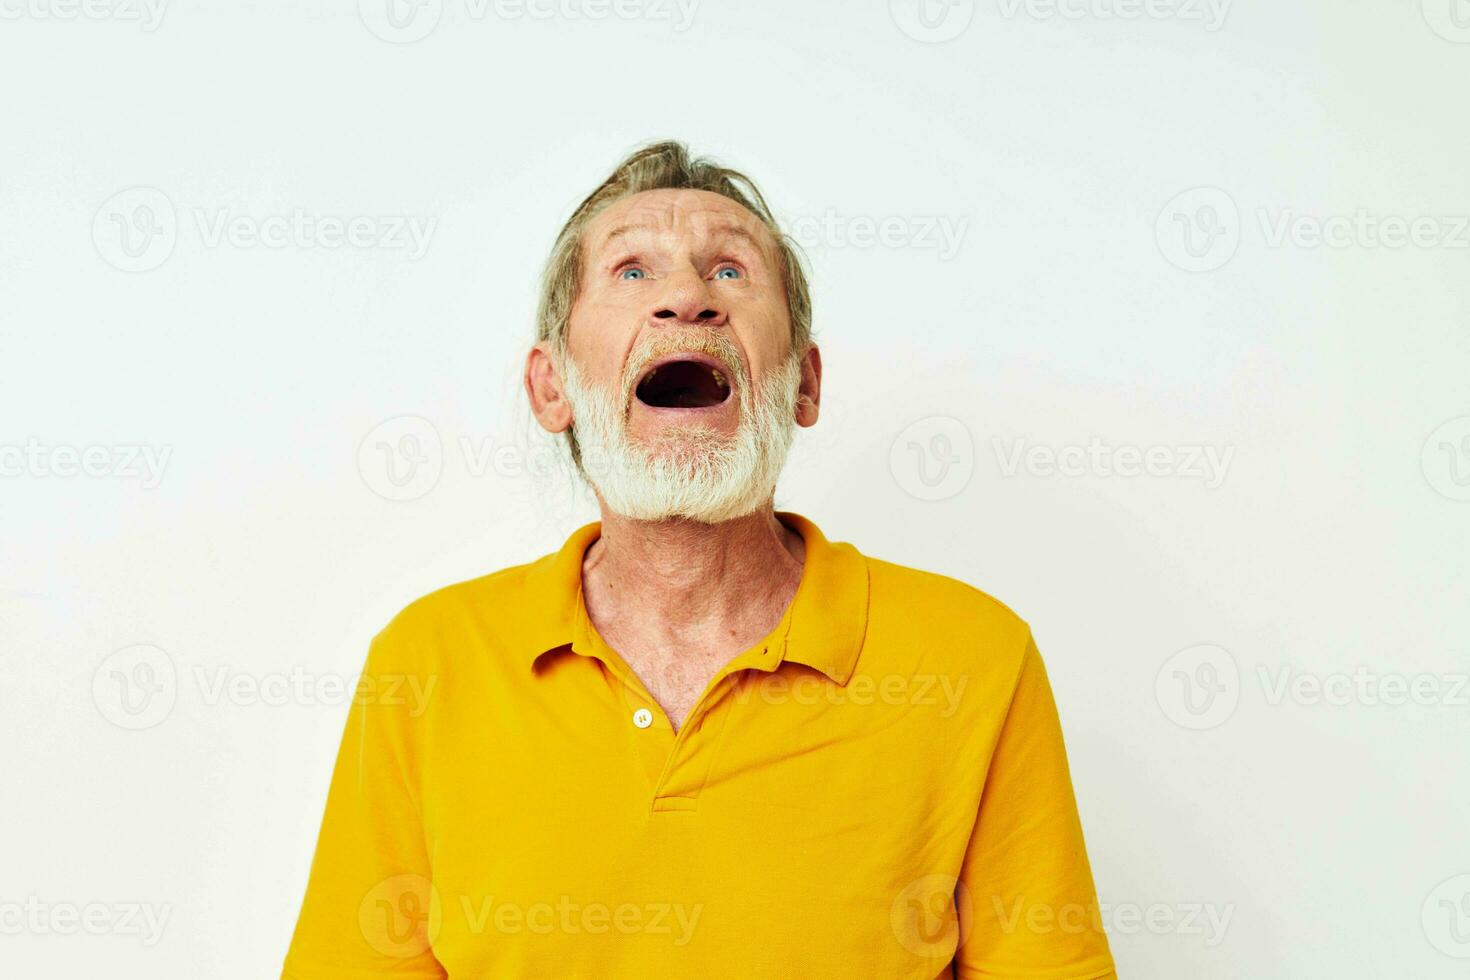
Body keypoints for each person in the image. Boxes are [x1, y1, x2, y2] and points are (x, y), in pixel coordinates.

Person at [282, 140, 1116, 979]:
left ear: (804, 383)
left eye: (729, 272)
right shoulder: (428, 663)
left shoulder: (973, 658)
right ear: (552, 388)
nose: (687, 298)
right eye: (632, 274)